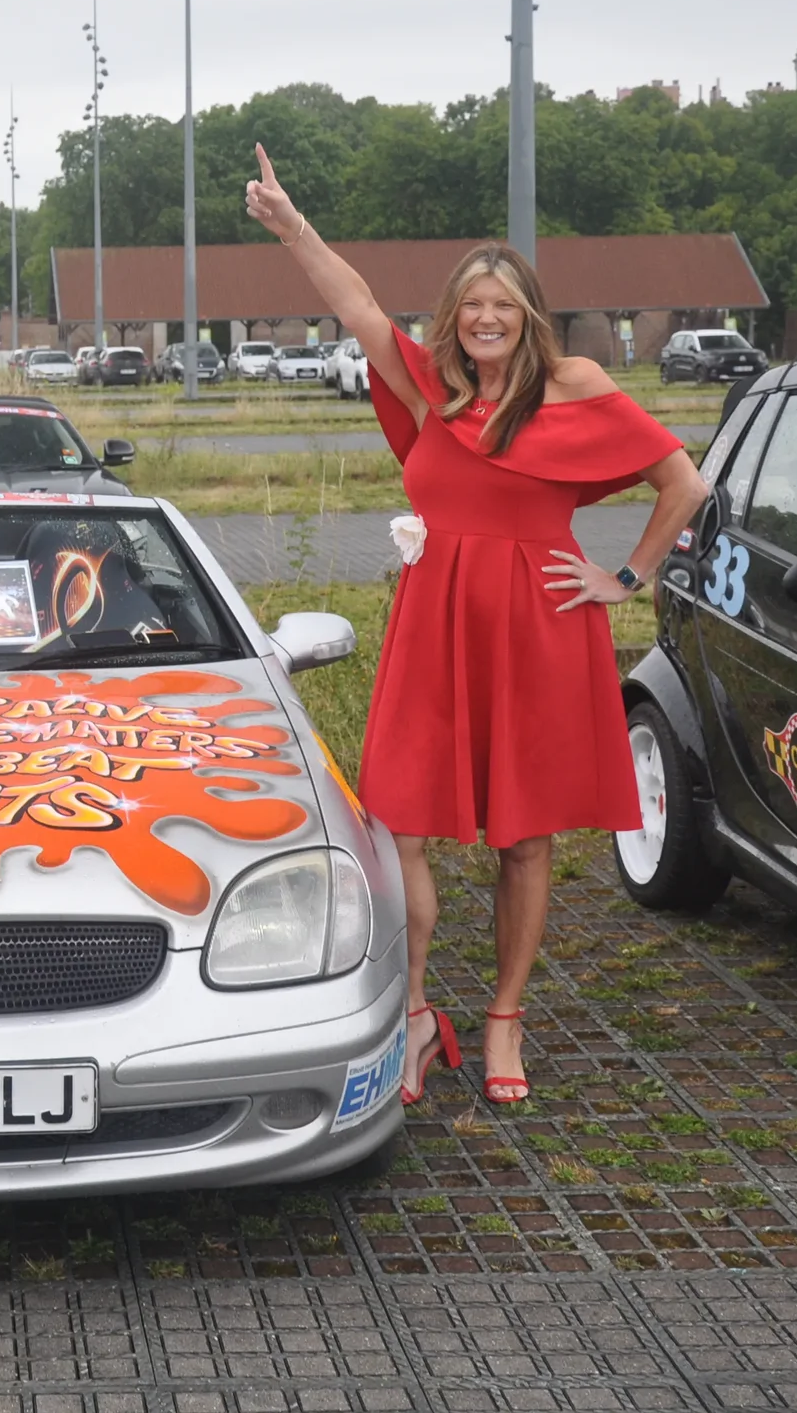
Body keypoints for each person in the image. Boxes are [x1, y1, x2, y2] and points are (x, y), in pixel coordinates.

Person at [243, 146, 707, 1104]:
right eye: (471, 305)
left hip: (538, 629)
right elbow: (358, 305)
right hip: (434, 625)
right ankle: (414, 1014)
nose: (486, 318)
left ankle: (504, 1021)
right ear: (453, 316)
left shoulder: (574, 386)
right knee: (400, 824)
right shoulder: (430, 392)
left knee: (524, 840)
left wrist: (625, 577)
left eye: (503, 304)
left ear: (527, 314)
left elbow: (684, 482)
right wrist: (295, 230)